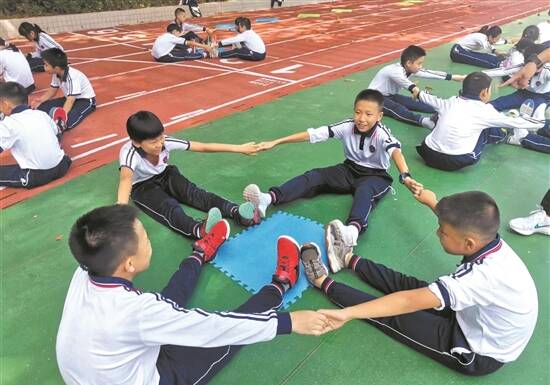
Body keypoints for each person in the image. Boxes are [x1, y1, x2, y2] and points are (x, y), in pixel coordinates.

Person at [56, 204, 332, 385]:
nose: (149, 240)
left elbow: (151, 313)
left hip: (99, 382)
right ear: (128, 264)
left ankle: (200, 253)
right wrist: (289, 322)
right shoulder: (135, 312)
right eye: (145, 238)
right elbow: (213, 328)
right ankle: (281, 284)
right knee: (223, 338)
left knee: (164, 307)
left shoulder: (86, 268)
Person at [301, 190, 538, 376]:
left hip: (477, 350)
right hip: (475, 316)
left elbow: (406, 302)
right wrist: (432, 202)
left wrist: (349, 314)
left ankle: (322, 282)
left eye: (442, 231)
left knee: (395, 314)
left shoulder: (480, 278)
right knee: (408, 284)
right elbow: (460, 226)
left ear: (469, 244)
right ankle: (347, 258)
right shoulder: (488, 241)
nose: (437, 233)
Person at [243, 89, 423, 245]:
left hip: (376, 176)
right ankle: (267, 198)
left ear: (379, 116)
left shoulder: (382, 134)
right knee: (314, 176)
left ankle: (352, 232)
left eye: (368, 114)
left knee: (364, 192)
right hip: (349, 169)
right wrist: (276, 141)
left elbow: (396, 152)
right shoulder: (346, 126)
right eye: (358, 112)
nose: (361, 119)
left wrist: (405, 176)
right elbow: (312, 134)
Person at [118, 110, 262, 239]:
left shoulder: (165, 142)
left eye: (161, 137)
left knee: (193, 193)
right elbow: (125, 179)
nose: (160, 144)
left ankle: (236, 212)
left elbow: (203, 146)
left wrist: (240, 148)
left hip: (166, 174)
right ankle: (198, 230)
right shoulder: (129, 153)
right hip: (142, 186)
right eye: (153, 142)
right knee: (168, 206)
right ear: (137, 143)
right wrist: (121, 211)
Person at [414, 72, 545, 171]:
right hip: (456, 160)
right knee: (487, 130)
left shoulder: (449, 102)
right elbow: (520, 123)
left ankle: (431, 123)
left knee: (446, 117)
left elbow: (424, 97)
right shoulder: (485, 111)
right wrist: (539, 121)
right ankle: (506, 134)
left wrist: (417, 92)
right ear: (484, 93)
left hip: (427, 153)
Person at [369, 45, 464, 129]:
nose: (420, 66)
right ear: (409, 63)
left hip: (390, 96)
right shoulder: (395, 71)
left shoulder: (409, 69)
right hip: (373, 99)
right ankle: (425, 121)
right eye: (419, 63)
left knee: (414, 103)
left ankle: (447, 108)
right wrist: (415, 90)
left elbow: (429, 73)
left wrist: (454, 77)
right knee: (397, 108)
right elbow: (410, 86)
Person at [0, 82, 71, 188]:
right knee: (55, 134)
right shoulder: (41, 114)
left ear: (5, 104)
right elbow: (57, 137)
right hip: (62, 165)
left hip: (36, 175)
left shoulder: (9, 123)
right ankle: (58, 125)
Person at [32, 48, 96, 130]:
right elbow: (52, 90)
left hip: (84, 100)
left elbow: (70, 100)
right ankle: (54, 117)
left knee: (67, 121)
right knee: (40, 107)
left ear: (56, 68)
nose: (44, 67)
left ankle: (59, 125)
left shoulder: (72, 77)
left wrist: (62, 117)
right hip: (68, 98)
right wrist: (40, 100)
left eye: (46, 65)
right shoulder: (56, 73)